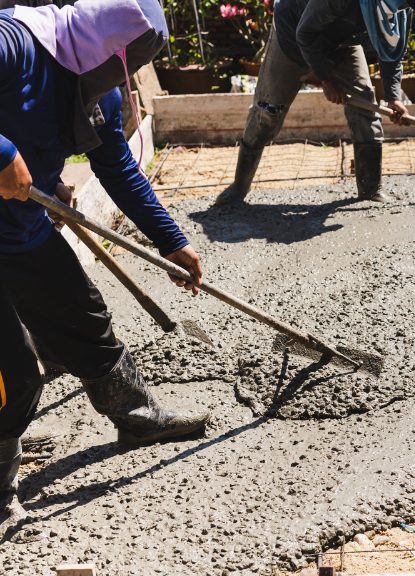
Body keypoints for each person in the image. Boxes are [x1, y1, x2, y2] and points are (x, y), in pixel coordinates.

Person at [0, 0, 210, 536]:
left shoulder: (94, 89)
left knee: (83, 316)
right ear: (100, 47)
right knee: (14, 371)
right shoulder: (14, 43)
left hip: (20, 229)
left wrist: (171, 242)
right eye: (123, 64)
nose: (122, 77)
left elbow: (117, 166)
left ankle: (136, 418)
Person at [214, 0, 415, 206]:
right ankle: (239, 187)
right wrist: (325, 79)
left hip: (341, 44)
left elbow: (392, 51)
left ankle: (370, 189)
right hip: (292, 37)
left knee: (364, 107)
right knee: (267, 112)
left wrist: (394, 97)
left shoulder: (401, 8)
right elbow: (305, 34)